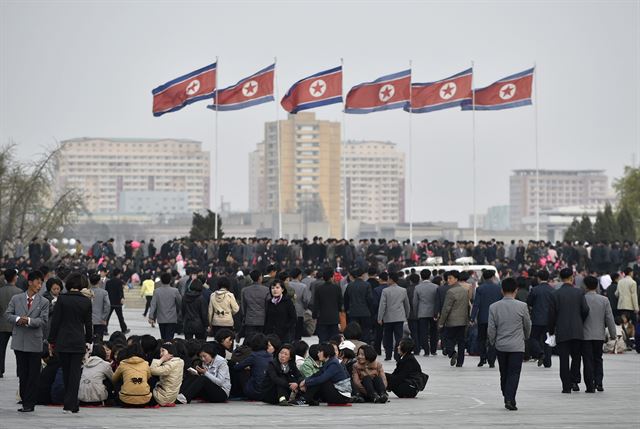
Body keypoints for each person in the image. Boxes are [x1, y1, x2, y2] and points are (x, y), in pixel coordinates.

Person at [48, 271, 93, 413]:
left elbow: (55, 322)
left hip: (63, 341)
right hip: (78, 341)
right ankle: (72, 404)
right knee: (75, 374)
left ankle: (69, 403)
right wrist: (89, 340)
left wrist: (51, 340)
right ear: (82, 285)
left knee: (66, 372)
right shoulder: (86, 301)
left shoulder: (61, 299)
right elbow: (88, 324)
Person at [4, 270, 49, 412]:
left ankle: (30, 403)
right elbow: (7, 314)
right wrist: (18, 319)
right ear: (30, 282)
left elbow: (43, 320)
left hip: (35, 342)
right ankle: (24, 399)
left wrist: (28, 320)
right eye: (37, 282)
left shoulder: (44, 302)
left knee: (33, 374)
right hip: (19, 342)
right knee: (22, 373)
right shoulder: (16, 298)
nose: (39, 285)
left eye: (41, 283)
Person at [487, 277, 532, 411]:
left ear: (502, 290)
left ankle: (506, 394)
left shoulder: (494, 307)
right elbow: (527, 325)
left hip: (501, 345)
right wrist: (526, 337)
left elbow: (491, 328)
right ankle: (510, 397)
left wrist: (493, 341)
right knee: (514, 373)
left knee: (504, 372)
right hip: (517, 346)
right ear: (516, 290)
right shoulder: (522, 306)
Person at [548, 268, 590, 393]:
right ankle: (575, 382)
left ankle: (566, 386)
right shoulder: (579, 293)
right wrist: (579, 321)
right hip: (577, 330)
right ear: (572, 277)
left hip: (562, 331)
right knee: (576, 357)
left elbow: (551, 315)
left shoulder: (555, 294)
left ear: (560, 278)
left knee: (564, 359)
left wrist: (551, 331)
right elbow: (585, 310)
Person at [581, 276, 616, 393]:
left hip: (585, 335)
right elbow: (609, 318)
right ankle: (599, 383)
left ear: (585, 286)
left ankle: (589, 385)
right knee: (598, 359)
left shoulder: (582, 299)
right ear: (596, 286)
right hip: (599, 334)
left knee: (587, 360)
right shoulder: (604, 300)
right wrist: (613, 334)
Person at [471, 270, 503, 368]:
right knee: (493, 340)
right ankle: (492, 360)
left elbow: (476, 304)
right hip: (496, 318)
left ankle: (482, 358)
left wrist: (472, 317)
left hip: (483, 318)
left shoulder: (480, 289)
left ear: (483, 277)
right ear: (493, 276)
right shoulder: (499, 288)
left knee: (481, 339)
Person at [438, 270, 470, 367]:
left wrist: (441, 322)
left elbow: (446, 308)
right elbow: (467, 306)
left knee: (448, 338)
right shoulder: (465, 291)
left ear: (456, 279)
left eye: (450, 278)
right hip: (463, 320)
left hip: (452, 321)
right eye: (448, 278)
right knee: (461, 341)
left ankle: (452, 353)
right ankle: (460, 362)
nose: (448, 280)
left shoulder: (450, 292)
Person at [377, 271, 410, 361]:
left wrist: (380, 318)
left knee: (388, 337)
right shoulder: (403, 290)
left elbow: (382, 305)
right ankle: (397, 355)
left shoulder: (385, 291)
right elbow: (407, 304)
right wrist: (407, 315)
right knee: (399, 337)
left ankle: (388, 355)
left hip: (388, 318)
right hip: (399, 317)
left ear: (391, 280)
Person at [527, 270, 555, 368]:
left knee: (533, 338)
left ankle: (540, 352)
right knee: (548, 340)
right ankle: (547, 362)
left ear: (538, 278)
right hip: (549, 319)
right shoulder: (552, 290)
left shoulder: (535, 290)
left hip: (537, 318)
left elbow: (529, 302)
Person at [234, 333, 273, 400]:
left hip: (255, 392)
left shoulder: (254, 356)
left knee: (242, 371)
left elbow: (237, 367)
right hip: (267, 392)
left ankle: (236, 392)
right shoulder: (270, 356)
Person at [0, 268, 22, 378]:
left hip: (2, 324)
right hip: (16, 324)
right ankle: (20, 371)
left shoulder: (1, 291)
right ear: (14, 277)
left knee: (1, 349)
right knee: (18, 349)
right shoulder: (19, 292)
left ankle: (0, 370)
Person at [148, 272, 182, 340]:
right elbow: (180, 302)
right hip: (172, 318)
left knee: (163, 337)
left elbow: (153, 304)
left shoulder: (156, 291)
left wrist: (151, 316)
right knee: (169, 338)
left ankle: (164, 348)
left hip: (161, 318)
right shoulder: (175, 291)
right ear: (170, 280)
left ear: (161, 280)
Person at [413, 269, 439, 356]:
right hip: (433, 312)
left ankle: (426, 350)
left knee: (423, 332)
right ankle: (433, 350)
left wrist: (416, 313)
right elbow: (437, 300)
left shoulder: (417, 287)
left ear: (421, 276)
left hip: (422, 312)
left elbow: (415, 302)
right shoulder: (435, 287)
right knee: (434, 331)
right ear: (430, 275)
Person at [312, 268, 343, 343]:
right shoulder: (337, 288)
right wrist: (339, 310)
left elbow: (316, 303)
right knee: (334, 340)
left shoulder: (319, 289)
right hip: (334, 317)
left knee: (323, 339)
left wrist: (314, 315)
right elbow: (340, 302)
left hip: (322, 318)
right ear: (332, 277)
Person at [344, 267, 372, 344]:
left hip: (353, 312)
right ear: (362, 275)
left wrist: (347, 310)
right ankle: (365, 348)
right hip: (365, 312)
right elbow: (369, 299)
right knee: (366, 331)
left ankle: (354, 348)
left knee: (353, 332)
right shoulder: (367, 285)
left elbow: (346, 299)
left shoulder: (350, 285)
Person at [240, 270, 269, 340]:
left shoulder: (245, 290)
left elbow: (243, 306)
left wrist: (245, 317)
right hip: (262, 320)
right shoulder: (267, 290)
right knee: (261, 340)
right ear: (260, 278)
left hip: (250, 320)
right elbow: (267, 306)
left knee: (250, 340)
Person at [288, 268, 311, 341]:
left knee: (290, 331)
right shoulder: (303, 286)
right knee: (298, 332)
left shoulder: (287, 285)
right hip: (299, 311)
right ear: (299, 276)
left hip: (288, 310)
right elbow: (305, 300)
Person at [105, 268, 129, 334]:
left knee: (107, 317)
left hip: (110, 302)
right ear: (118, 274)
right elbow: (120, 291)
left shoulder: (108, 282)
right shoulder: (119, 282)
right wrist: (122, 298)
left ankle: (104, 330)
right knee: (120, 317)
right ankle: (124, 329)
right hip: (117, 303)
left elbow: (106, 291)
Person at [88, 273, 111, 341]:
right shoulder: (104, 292)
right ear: (99, 281)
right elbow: (108, 305)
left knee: (88, 340)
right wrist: (104, 318)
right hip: (100, 319)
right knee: (99, 339)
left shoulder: (86, 292)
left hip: (88, 319)